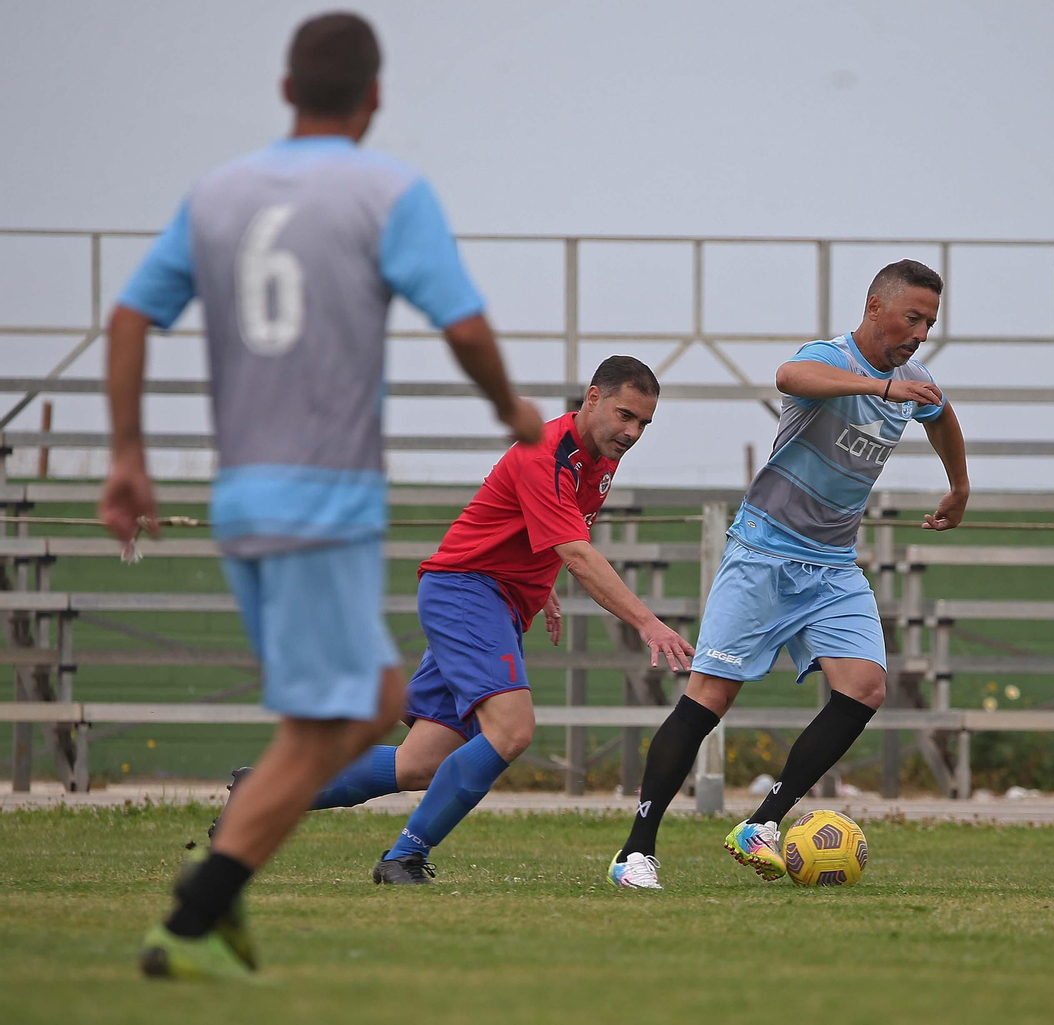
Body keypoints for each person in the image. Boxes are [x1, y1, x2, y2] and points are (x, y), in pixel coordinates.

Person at [100, 12, 544, 979]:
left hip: (241, 498)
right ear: (375, 98)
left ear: (285, 90)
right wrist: (512, 406)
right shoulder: (387, 192)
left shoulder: (215, 194)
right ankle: (196, 909)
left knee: (343, 711)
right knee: (363, 706)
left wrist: (127, 453)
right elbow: (462, 323)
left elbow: (132, 314)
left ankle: (209, 909)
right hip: (326, 500)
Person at [607, 259, 969, 890]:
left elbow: (942, 418)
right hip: (764, 553)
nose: (920, 332)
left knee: (865, 688)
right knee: (708, 700)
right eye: (912, 317)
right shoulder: (828, 358)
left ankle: (763, 825)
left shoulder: (916, 379)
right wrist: (879, 391)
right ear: (875, 305)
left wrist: (959, 488)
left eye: (930, 322)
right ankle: (636, 851)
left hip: (832, 565)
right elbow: (788, 374)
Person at [263, 356, 694, 884]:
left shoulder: (600, 457)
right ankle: (403, 858)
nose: (632, 432)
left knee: (420, 762)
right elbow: (578, 553)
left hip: (493, 599)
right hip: (467, 593)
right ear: (593, 397)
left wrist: (542, 584)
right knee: (511, 731)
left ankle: (263, 791)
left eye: (644, 424)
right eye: (626, 415)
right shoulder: (547, 451)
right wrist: (647, 622)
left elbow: (546, 532)